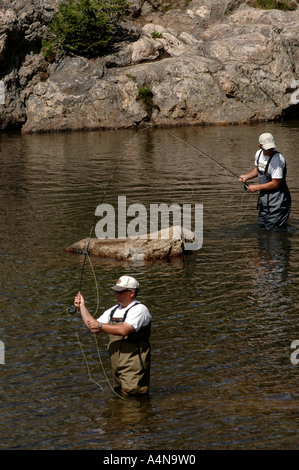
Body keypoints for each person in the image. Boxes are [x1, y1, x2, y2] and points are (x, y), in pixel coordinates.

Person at [74, 275, 151, 397]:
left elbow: (124, 330)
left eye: (120, 292)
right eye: (116, 291)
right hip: (116, 365)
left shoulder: (140, 310)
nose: (116, 294)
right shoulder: (113, 310)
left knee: (134, 398)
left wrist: (99, 325)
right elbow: (92, 328)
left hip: (133, 365)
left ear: (132, 293)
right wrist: (82, 306)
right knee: (119, 396)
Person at [239, 132, 291, 230]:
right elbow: (259, 170)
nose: (270, 150)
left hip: (278, 199)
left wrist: (256, 187)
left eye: (271, 148)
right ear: (260, 146)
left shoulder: (277, 159)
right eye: (267, 149)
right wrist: (247, 176)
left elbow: (276, 183)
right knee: (262, 226)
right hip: (264, 199)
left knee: (274, 229)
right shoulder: (258, 154)